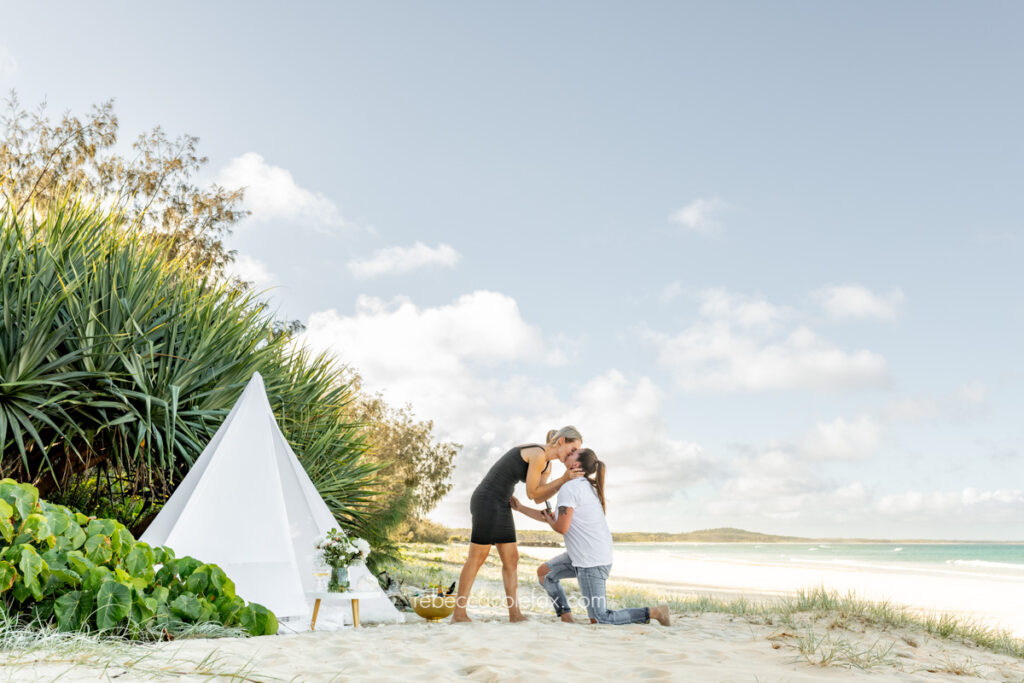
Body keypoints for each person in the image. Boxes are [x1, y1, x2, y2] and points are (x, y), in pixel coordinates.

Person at [512, 448, 670, 626]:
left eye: (573, 453)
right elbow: (554, 518)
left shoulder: (570, 488)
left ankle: (656, 612)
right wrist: (520, 508)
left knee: (600, 618)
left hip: (591, 561)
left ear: (576, 465)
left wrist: (550, 522)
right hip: (583, 556)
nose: (569, 452)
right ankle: (565, 616)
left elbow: (561, 527)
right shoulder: (581, 486)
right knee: (545, 574)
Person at [451, 426, 584, 623]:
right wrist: (562, 480)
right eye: (572, 449)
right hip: (487, 499)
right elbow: (532, 492)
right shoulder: (538, 454)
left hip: (503, 502)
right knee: (477, 556)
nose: (573, 455)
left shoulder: (546, 465)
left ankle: (515, 614)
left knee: (511, 558)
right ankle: (459, 614)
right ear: (562, 441)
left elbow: (539, 498)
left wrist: (562, 482)